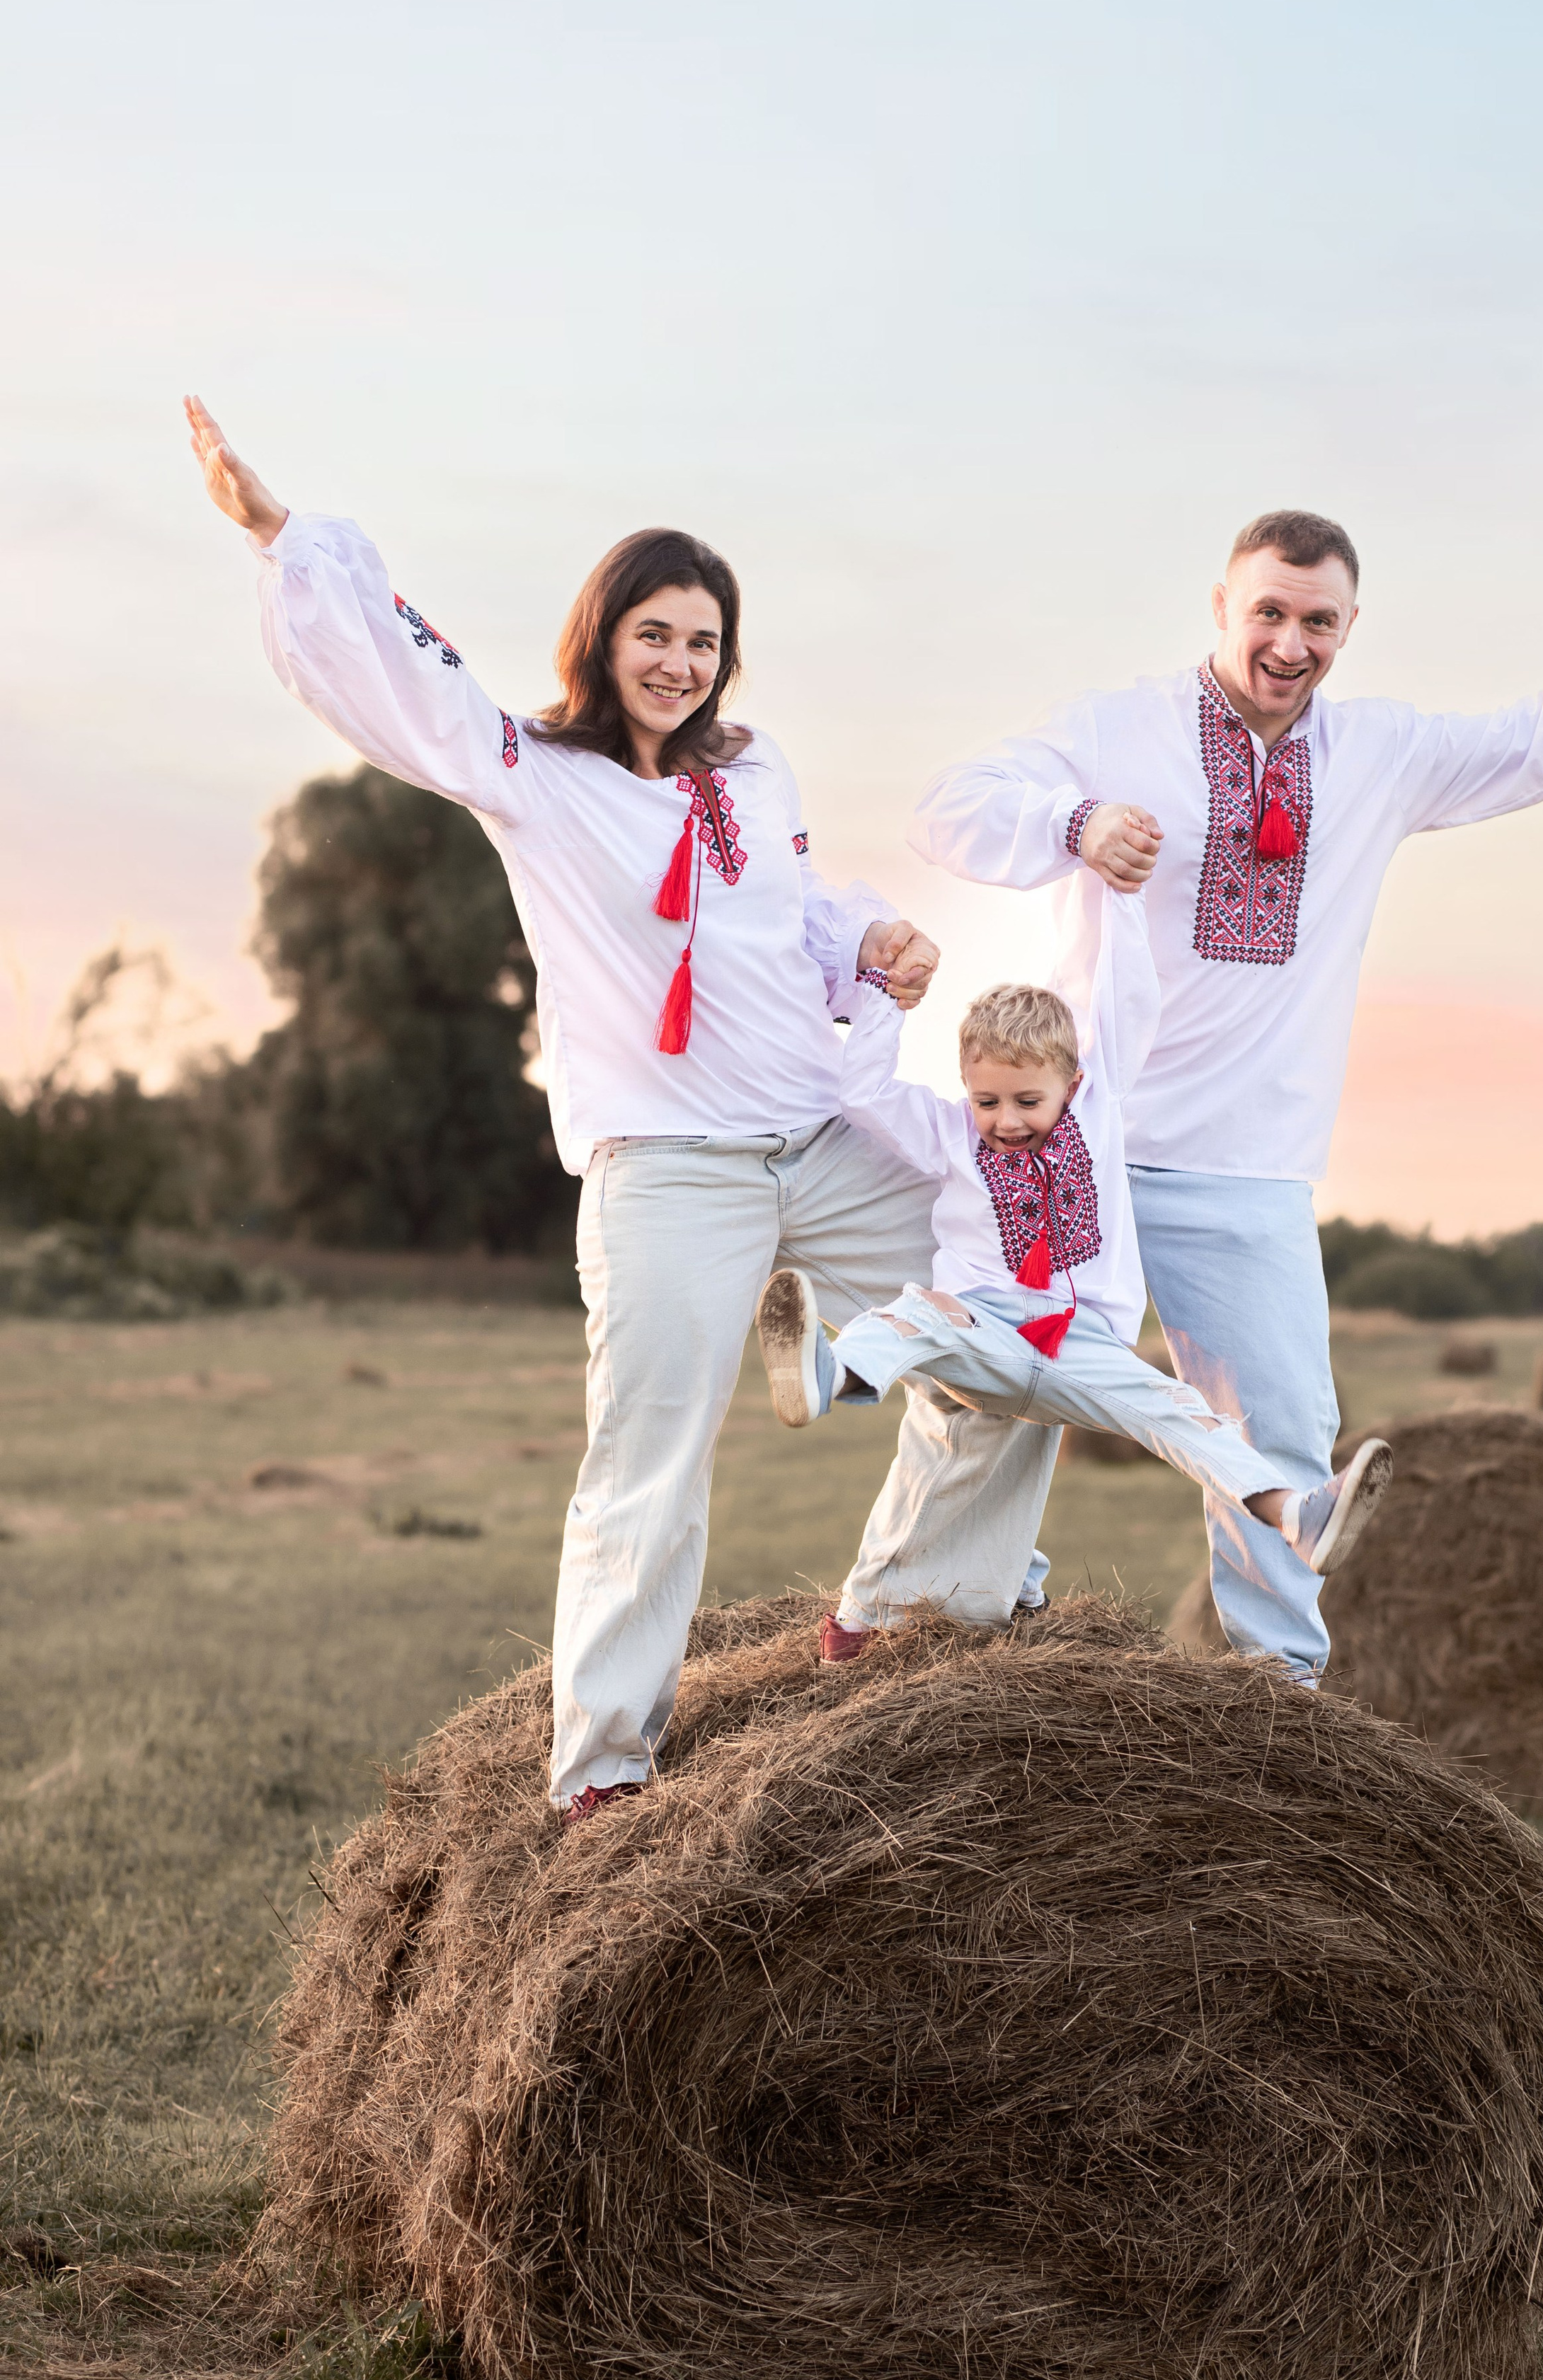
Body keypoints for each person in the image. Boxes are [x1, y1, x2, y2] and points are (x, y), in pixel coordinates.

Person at [183, 396, 1057, 1817]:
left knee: (1014, 1327)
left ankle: (905, 1607)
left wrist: (872, 938)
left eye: (702, 640)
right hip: (671, 1170)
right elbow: (416, 685)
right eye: (654, 632)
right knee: (645, 1471)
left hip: (820, 1137)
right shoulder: (537, 776)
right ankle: (602, 1777)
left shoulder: (750, 769)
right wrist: (287, 538)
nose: (678, 661)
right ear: (603, 638)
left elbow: (794, 912)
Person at [896, 509, 1543, 1677]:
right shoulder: (1119, 729)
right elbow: (949, 806)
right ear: (1223, 606)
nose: (1290, 642)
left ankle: (1277, 1703)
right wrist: (1074, 822)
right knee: (996, 1386)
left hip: (1251, 1163)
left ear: (1351, 627)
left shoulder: (1382, 755)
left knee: (1286, 1438)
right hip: (1080, 1144)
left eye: (1319, 621)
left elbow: (1539, 741)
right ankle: (930, 1633)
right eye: (1270, 611)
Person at [758, 881, 1394, 1592]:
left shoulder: (1100, 1110)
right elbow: (866, 1094)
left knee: (1185, 1415)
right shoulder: (949, 1133)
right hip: (988, 1328)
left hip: (1084, 1344)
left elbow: (1123, 998)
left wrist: (1120, 895)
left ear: (1073, 1082)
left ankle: (1295, 1515)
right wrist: (878, 996)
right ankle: (831, 1375)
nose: (1004, 1120)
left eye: (1027, 1101)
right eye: (986, 1100)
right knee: (916, 1310)